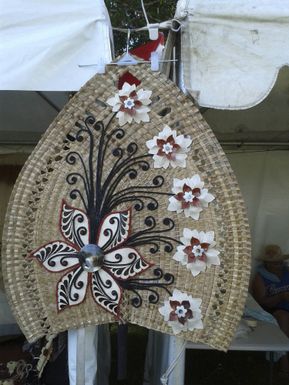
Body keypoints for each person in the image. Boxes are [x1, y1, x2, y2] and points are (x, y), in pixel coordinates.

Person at [252, 244, 289, 378]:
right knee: (283, 317)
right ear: (266, 263)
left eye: (280, 262)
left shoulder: (287, 272)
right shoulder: (260, 277)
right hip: (273, 310)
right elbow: (261, 302)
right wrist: (280, 296)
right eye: (275, 263)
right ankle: (285, 364)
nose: (278, 265)